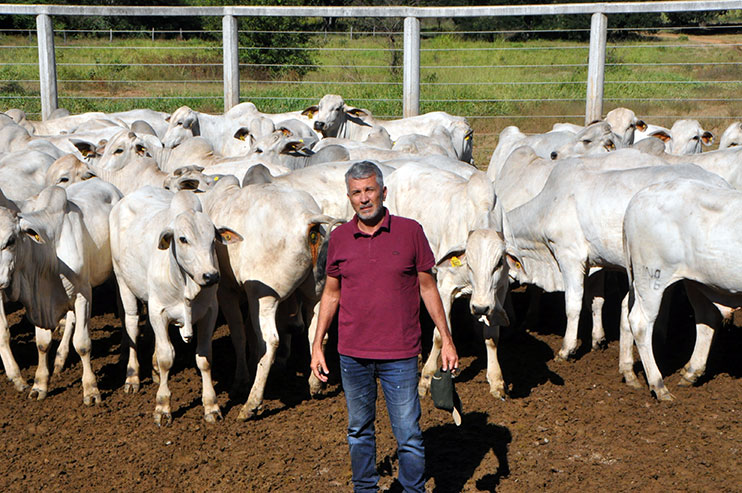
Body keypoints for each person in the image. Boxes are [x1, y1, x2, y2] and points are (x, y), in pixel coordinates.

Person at [310, 161, 459, 492]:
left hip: (400, 354)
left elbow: (428, 288)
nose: (364, 199)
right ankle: (365, 489)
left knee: (408, 434)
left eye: (369, 190)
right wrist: (317, 345)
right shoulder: (339, 238)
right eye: (356, 192)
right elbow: (331, 294)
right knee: (359, 430)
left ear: (383, 192)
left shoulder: (410, 232)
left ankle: (412, 490)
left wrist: (446, 339)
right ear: (349, 197)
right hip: (352, 354)